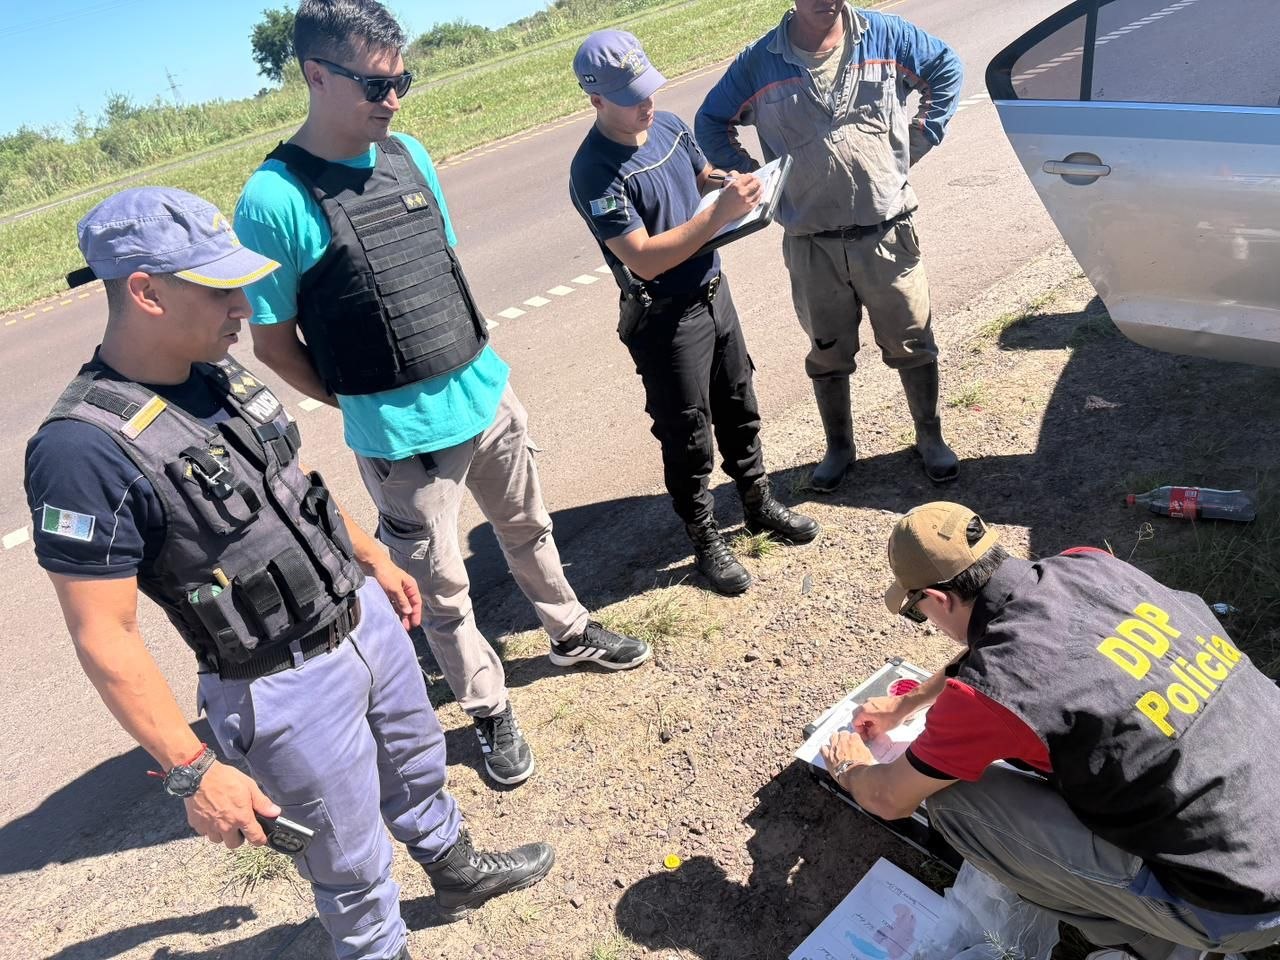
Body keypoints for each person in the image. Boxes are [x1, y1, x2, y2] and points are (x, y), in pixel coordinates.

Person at [24, 187, 556, 960]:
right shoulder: (81, 450)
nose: (243, 307)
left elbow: (292, 483)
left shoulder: (217, 373)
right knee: (349, 863)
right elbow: (104, 634)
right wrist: (190, 771)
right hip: (280, 684)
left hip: (362, 620)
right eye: (220, 290)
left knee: (418, 766)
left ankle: (455, 869)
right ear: (146, 292)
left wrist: (373, 561)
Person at [235, 0, 651, 789]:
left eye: (404, 80)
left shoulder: (409, 154)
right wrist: (360, 401)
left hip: (487, 397)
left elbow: (441, 270)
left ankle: (569, 633)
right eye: (376, 85)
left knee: (529, 529)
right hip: (405, 444)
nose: (394, 99)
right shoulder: (273, 201)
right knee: (442, 588)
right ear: (316, 75)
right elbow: (273, 343)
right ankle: (487, 706)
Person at [820, 501, 1280, 960]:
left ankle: (1151, 944)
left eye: (917, 610)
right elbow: (1004, 641)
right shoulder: (1087, 564)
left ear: (937, 599)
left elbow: (889, 799)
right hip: (1259, 800)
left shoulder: (991, 688)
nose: (927, 621)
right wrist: (908, 701)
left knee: (953, 803)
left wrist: (850, 766)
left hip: (1245, 903)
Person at [567, 29, 819, 596]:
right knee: (687, 435)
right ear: (596, 99)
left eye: (648, 89)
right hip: (665, 318)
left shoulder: (670, 126)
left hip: (712, 292)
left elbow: (700, 172)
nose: (647, 104)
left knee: (739, 404)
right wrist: (718, 214)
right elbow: (642, 257)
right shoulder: (595, 172)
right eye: (631, 98)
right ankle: (705, 539)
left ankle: (757, 503)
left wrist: (730, 182)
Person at [695, 1, 964, 488]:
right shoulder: (759, 62)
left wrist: (919, 138)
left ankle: (930, 437)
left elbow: (946, 68)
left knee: (912, 340)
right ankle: (839, 446)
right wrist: (758, 180)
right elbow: (711, 121)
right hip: (811, 242)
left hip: (887, 231)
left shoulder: (886, 35)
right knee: (828, 351)